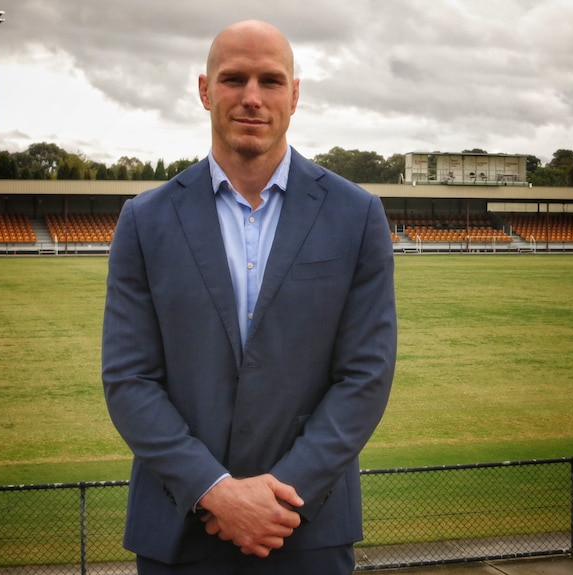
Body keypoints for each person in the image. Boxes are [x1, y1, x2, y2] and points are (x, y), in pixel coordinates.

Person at [101, 19, 397, 575]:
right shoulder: (145, 220)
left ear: (296, 94)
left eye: (271, 80)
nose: (252, 98)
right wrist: (215, 491)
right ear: (204, 89)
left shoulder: (356, 215)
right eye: (234, 79)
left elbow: (366, 376)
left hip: (306, 528)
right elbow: (128, 379)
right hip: (178, 529)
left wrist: (280, 496)